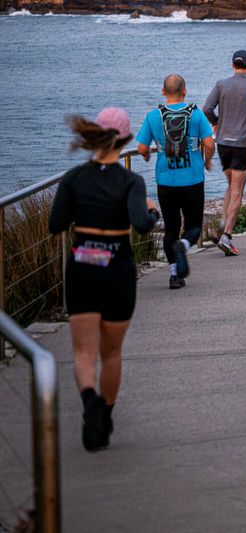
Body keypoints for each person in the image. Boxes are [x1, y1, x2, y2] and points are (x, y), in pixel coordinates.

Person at [48, 108, 160, 452]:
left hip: (82, 267)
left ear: (94, 135)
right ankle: (105, 415)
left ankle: (89, 402)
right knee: (111, 353)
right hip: (117, 269)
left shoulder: (74, 178)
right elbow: (141, 225)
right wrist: (152, 211)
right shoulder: (131, 182)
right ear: (126, 140)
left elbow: (55, 224)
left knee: (83, 353)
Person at [137, 74, 214, 289]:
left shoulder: (153, 116)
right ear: (185, 91)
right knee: (194, 226)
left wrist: (145, 156)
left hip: (166, 181)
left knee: (171, 227)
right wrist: (207, 162)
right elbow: (209, 144)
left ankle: (174, 275)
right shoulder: (196, 114)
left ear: (163, 92)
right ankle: (185, 244)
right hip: (192, 180)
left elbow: (142, 148)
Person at [203, 49, 246, 257]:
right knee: (238, 190)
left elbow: (206, 109)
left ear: (233, 65)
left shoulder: (221, 84)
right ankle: (227, 236)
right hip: (242, 144)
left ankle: (222, 223)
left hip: (223, 143)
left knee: (231, 185)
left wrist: (216, 122)